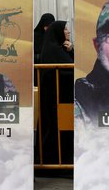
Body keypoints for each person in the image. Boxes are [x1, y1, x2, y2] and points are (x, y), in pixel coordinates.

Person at [38, 21, 74, 164]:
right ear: (58, 32)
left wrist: (70, 50)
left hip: (55, 98)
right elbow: (71, 70)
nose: (68, 32)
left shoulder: (54, 48)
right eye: (65, 29)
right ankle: (58, 161)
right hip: (56, 99)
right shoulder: (54, 50)